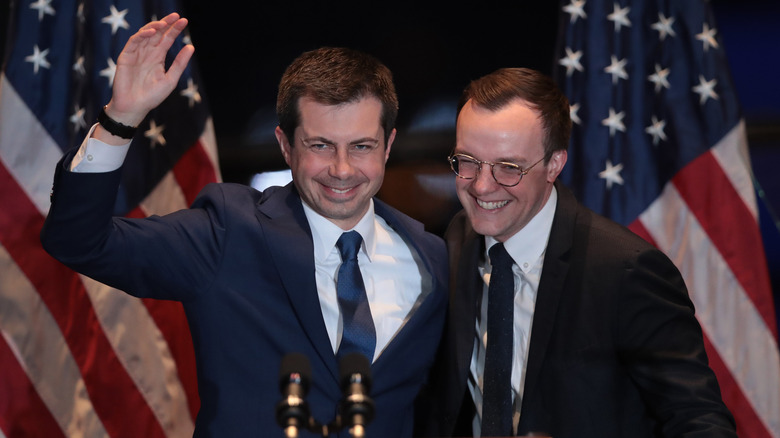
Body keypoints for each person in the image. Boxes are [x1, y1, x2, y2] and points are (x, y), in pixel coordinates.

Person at [40, 13, 447, 438]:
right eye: (320, 146)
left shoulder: (431, 258)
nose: (342, 170)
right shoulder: (227, 232)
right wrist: (120, 118)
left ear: (388, 147)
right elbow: (77, 240)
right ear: (285, 146)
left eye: (361, 146)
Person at [423, 68, 737, 437]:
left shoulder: (626, 272)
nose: (481, 186)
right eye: (468, 161)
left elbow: (700, 422)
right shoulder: (456, 241)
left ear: (554, 164)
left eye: (508, 167)